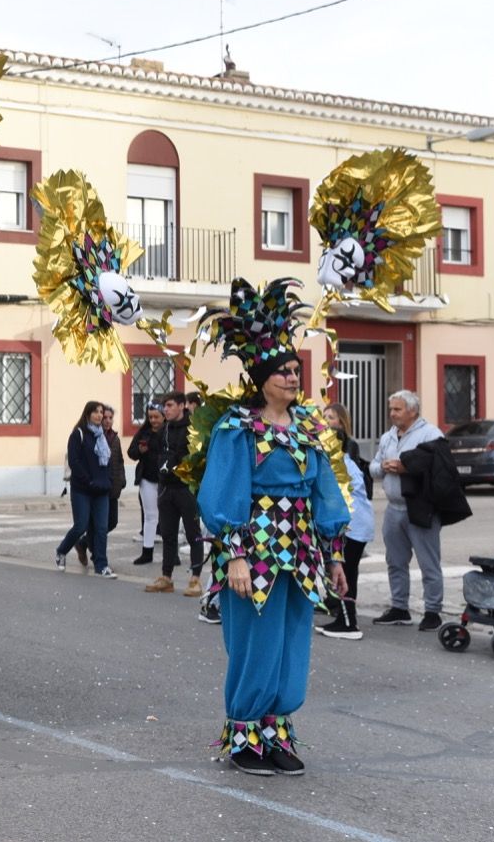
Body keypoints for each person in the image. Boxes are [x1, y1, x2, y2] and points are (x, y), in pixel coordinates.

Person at [196, 278, 349, 776]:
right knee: (255, 640)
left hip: (301, 550)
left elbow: (327, 494)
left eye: (294, 370)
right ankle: (245, 735)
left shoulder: (308, 428)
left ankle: (276, 732)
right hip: (254, 547)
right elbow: (223, 493)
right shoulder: (238, 428)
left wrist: (336, 556)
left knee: (291, 640)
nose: (290, 377)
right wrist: (235, 554)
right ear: (261, 378)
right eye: (282, 371)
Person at [369, 391, 447, 631]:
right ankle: (399, 607)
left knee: (428, 562)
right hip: (394, 508)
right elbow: (372, 467)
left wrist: (407, 467)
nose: (392, 414)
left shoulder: (431, 434)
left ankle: (433, 611)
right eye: (391, 409)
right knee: (395, 560)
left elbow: (440, 467)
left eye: (397, 409)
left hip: (421, 508)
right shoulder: (387, 437)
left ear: (413, 411)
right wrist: (382, 467)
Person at [317, 403, 373, 641]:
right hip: (356, 523)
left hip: (353, 525)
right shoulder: (343, 460)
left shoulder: (340, 461)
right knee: (347, 571)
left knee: (346, 572)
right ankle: (343, 616)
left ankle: (349, 623)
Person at [149, 392, 205, 596]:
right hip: (166, 488)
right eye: (165, 405)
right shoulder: (164, 429)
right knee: (168, 534)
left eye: (170, 405)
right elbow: (158, 452)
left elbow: (195, 456)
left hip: (186, 488)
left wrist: (176, 464)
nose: (166, 409)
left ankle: (195, 579)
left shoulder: (193, 428)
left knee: (193, 534)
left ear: (182, 406)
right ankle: (166, 577)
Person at [55, 400, 115, 578]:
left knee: (102, 528)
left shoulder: (103, 436)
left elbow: (108, 463)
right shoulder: (78, 434)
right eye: (96, 412)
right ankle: (61, 551)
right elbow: (74, 461)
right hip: (83, 489)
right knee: (81, 526)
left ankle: (101, 565)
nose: (99, 415)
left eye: (101, 412)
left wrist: (108, 481)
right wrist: (88, 480)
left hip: (101, 490)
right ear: (87, 414)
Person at [77, 404, 124, 565]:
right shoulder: (93, 436)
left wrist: (121, 480)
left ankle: (84, 543)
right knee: (98, 525)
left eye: (111, 418)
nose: (108, 421)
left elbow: (119, 461)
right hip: (97, 487)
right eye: (105, 417)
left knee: (112, 522)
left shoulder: (114, 438)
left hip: (112, 488)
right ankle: (97, 556)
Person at [128, 402, 164, 565]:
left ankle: (172, 554)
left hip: (166, 480)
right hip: (147, 479)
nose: (153, 420)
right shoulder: (144, 433)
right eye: (150, 417)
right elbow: (131, 452)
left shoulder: (169, 431)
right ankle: (147, 551)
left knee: (169, 517)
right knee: (150, 516)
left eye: (156, 416)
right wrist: (139, 451)